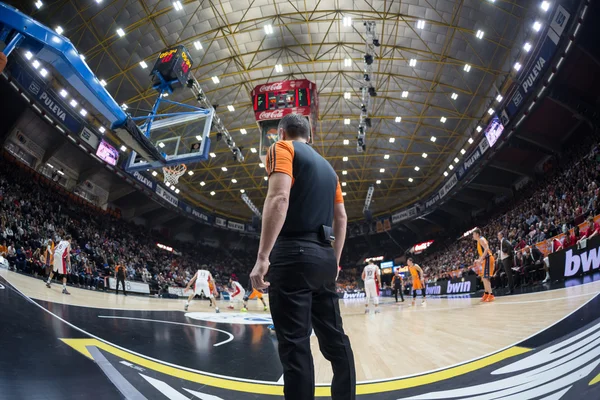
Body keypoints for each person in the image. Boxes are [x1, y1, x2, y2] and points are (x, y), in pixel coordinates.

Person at [249, 114, 356, 400]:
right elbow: (341, 218)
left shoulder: (282, 149)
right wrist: (334, 260)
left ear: (281, 132)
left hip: (293, 255)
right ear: (308, 135)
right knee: (336, 340)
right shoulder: (329, 169)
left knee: (295, 346)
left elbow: (279, 198)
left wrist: (262, 257)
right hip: (323, 258)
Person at [473, 228, 495, 302]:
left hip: (488, 258)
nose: (473, 235)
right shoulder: (478, 241)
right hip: (485, 260)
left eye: (473, 234)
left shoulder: (481, 239)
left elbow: (487, 249)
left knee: (486, 278)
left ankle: (491, 295)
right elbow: (482, 253)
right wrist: (478, 260)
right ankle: (486, 294)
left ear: (477, 234)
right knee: (483, 278)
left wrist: (481, 259)